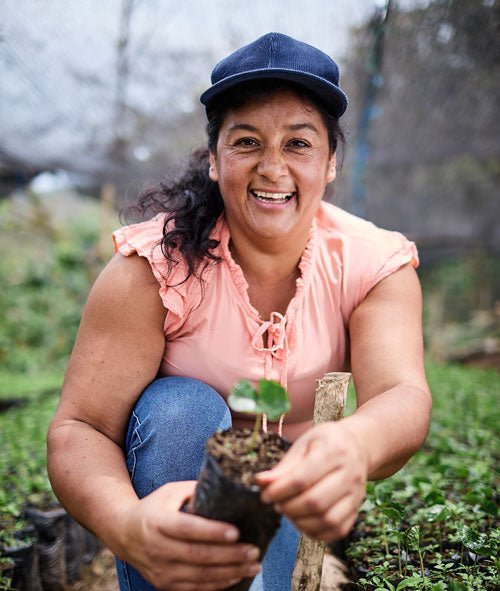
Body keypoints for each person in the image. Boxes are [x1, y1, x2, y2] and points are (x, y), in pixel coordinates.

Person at [47, 32, 431, 591]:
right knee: (179, 408)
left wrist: (354, 443)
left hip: (283, 488)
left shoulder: (375, 265)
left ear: (329, 163)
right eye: (247, 142)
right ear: (213, 159)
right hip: (174, 479)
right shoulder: (154, 268)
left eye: (298, 144)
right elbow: (79, 427)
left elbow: (403, 395)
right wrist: (126, 525)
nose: (272, 168)